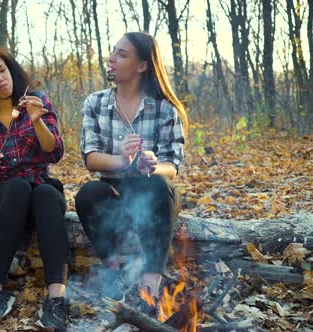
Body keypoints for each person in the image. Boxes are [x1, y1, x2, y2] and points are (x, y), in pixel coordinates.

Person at [75, 32, 187, 313]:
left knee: (158, 186)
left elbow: (172, 165)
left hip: (152, 193)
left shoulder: (164, 108)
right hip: (112, 191)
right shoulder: (95, 103)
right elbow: (91, 158)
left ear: (142, 66)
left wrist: (150, 164)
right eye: (113, 51)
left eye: (122, 54)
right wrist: (123, 160)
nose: (111, 59)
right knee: (88, 193)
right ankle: (113, 272)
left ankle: (151, 286)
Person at [0, 47, 69, 331]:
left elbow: (54, 152)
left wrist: (37, 122)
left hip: (40, 195)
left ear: (11, 70)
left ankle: (57, 299)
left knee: (44, 192)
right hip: (0, 201)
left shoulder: (37, 101)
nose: (0, 79)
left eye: (2, 70)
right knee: (18, 187)